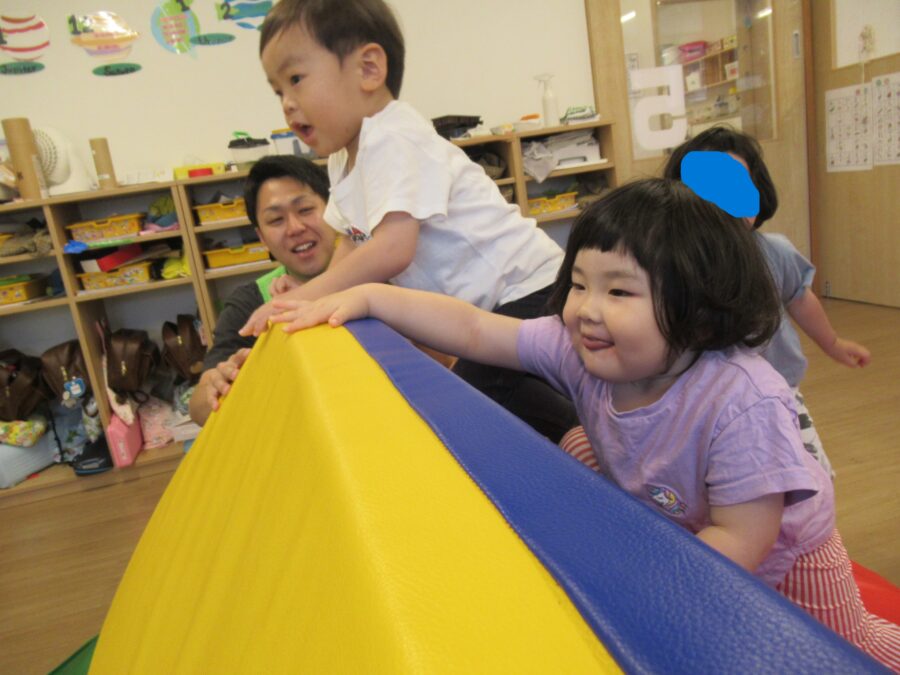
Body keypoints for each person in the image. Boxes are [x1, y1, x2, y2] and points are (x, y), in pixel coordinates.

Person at [275, 179, 899, 669]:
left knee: (843, 651)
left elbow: (742, 539)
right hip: (676, 515)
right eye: (578, 285)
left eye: (619, 292)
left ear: (699, 311)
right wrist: (370, 297)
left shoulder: (742, 401)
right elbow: (474, 329)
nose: (586, 311)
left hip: (787, 554)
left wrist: (644, 590)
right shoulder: (578, 350)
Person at [239, 0, 578, 442]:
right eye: (278, 91)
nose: (287, 104)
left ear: (368, 69)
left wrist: (309, 298)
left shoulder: (392, 136)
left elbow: (393, 249)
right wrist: (311, 295)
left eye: (296, 79)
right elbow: (351, 244)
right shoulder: (343, 158)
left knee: (482, 386)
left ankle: (582, 440)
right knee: (479, 385)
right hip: (485, 309)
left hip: (529, 287)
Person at [662, 126, 871, 476]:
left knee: (809, 473)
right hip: (707, 399)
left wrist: (832, 343)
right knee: (726, 474)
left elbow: (799, 299)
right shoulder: (674, 263)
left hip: (779, 390)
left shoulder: (775, 251)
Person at [189, 155, 336, 425]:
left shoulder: (376, 269)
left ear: (335, 210)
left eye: (305, 210)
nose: (295, 228)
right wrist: (220, 383)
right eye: (276, 219)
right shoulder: (251, 303)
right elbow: (199, 410)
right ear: (261, 237)